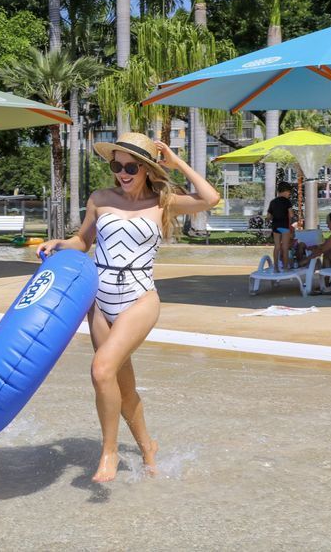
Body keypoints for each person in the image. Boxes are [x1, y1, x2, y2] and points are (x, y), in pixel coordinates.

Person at [37, 132, 220, 482]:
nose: (122, 172)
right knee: (123, 387)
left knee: (101, 369)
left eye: (131, 166)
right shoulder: (101, 198)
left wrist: (176, 161)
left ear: (147, 169)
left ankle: (109, 453)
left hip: (140, 296)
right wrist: (60, 243)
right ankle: (148, 446)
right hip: (99, 298)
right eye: (116, 165)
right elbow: (82, 241)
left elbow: (211, 198)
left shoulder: (164, 202)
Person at [266, 182, 294, 272]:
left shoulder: (273, 202)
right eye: (289, 193)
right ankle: (285, 267)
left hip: (275, 226)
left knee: (277, 247)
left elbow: (269, 217)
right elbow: (291, 214)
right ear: (286, 191)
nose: (289, 195)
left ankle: (276, 268)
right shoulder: (287, 201)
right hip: (284, 226)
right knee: (285, 247)